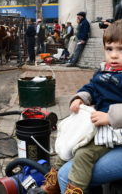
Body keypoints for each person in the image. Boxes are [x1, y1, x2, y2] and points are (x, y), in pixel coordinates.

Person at [41, 20, 122, 194]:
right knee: (68, 145)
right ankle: (53, 183)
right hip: (98, 125)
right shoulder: (104, 70)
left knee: (84, 154)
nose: (114, 55)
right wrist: (80, 98)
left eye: (120, 50)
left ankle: (74, 190)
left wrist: (110, 117)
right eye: (109, 49)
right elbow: (91, 87)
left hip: (114, 131)